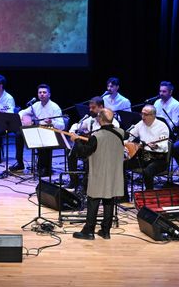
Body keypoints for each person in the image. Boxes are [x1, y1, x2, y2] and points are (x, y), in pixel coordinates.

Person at [71, 109, 126, 240]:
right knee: (109, 201)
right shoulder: (121, 132)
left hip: (99, 173)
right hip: (114, 174)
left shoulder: (97, 136)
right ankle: (105, 231)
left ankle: (88, 231)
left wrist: (76, 140)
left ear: (100, 119)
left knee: (93, 201)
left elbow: (84, 152)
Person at [65, 97, 119, 189]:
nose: (90, 110)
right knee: (70, 153)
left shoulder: (113, 122)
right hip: (91, 148)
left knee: (89, 156)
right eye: (89, 108)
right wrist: (73, 132)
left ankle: (88, 185)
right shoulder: (90, 120)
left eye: (93, 108)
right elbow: (77, 126)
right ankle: (74, 181)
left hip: (104, 151)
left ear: (101, 107)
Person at [13, 84, 66, 176]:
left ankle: (44, 168)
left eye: (44, 92)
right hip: (37, 130)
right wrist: (26, 119)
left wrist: (52, 122)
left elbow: (62, 125)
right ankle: (20, 163)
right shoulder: (36, 105)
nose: (42, 94)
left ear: (49, 94)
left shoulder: (55, 107)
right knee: (19, 134)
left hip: (50, 133)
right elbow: (22, 112)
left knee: (44, 139)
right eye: (40, 92)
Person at [124, 105, 171, 191]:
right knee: (122, 165)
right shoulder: (140, 124)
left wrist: (156, 146)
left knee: (147, 172)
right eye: (142, 114)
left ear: (153, 115)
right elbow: (130, 135)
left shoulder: (162, 126)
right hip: (143, 156)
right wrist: (125, 143)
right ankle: (124, 196)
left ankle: (149, 195)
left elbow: (164, 146)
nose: (143, 117)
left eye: (145, 114)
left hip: (158, 159)